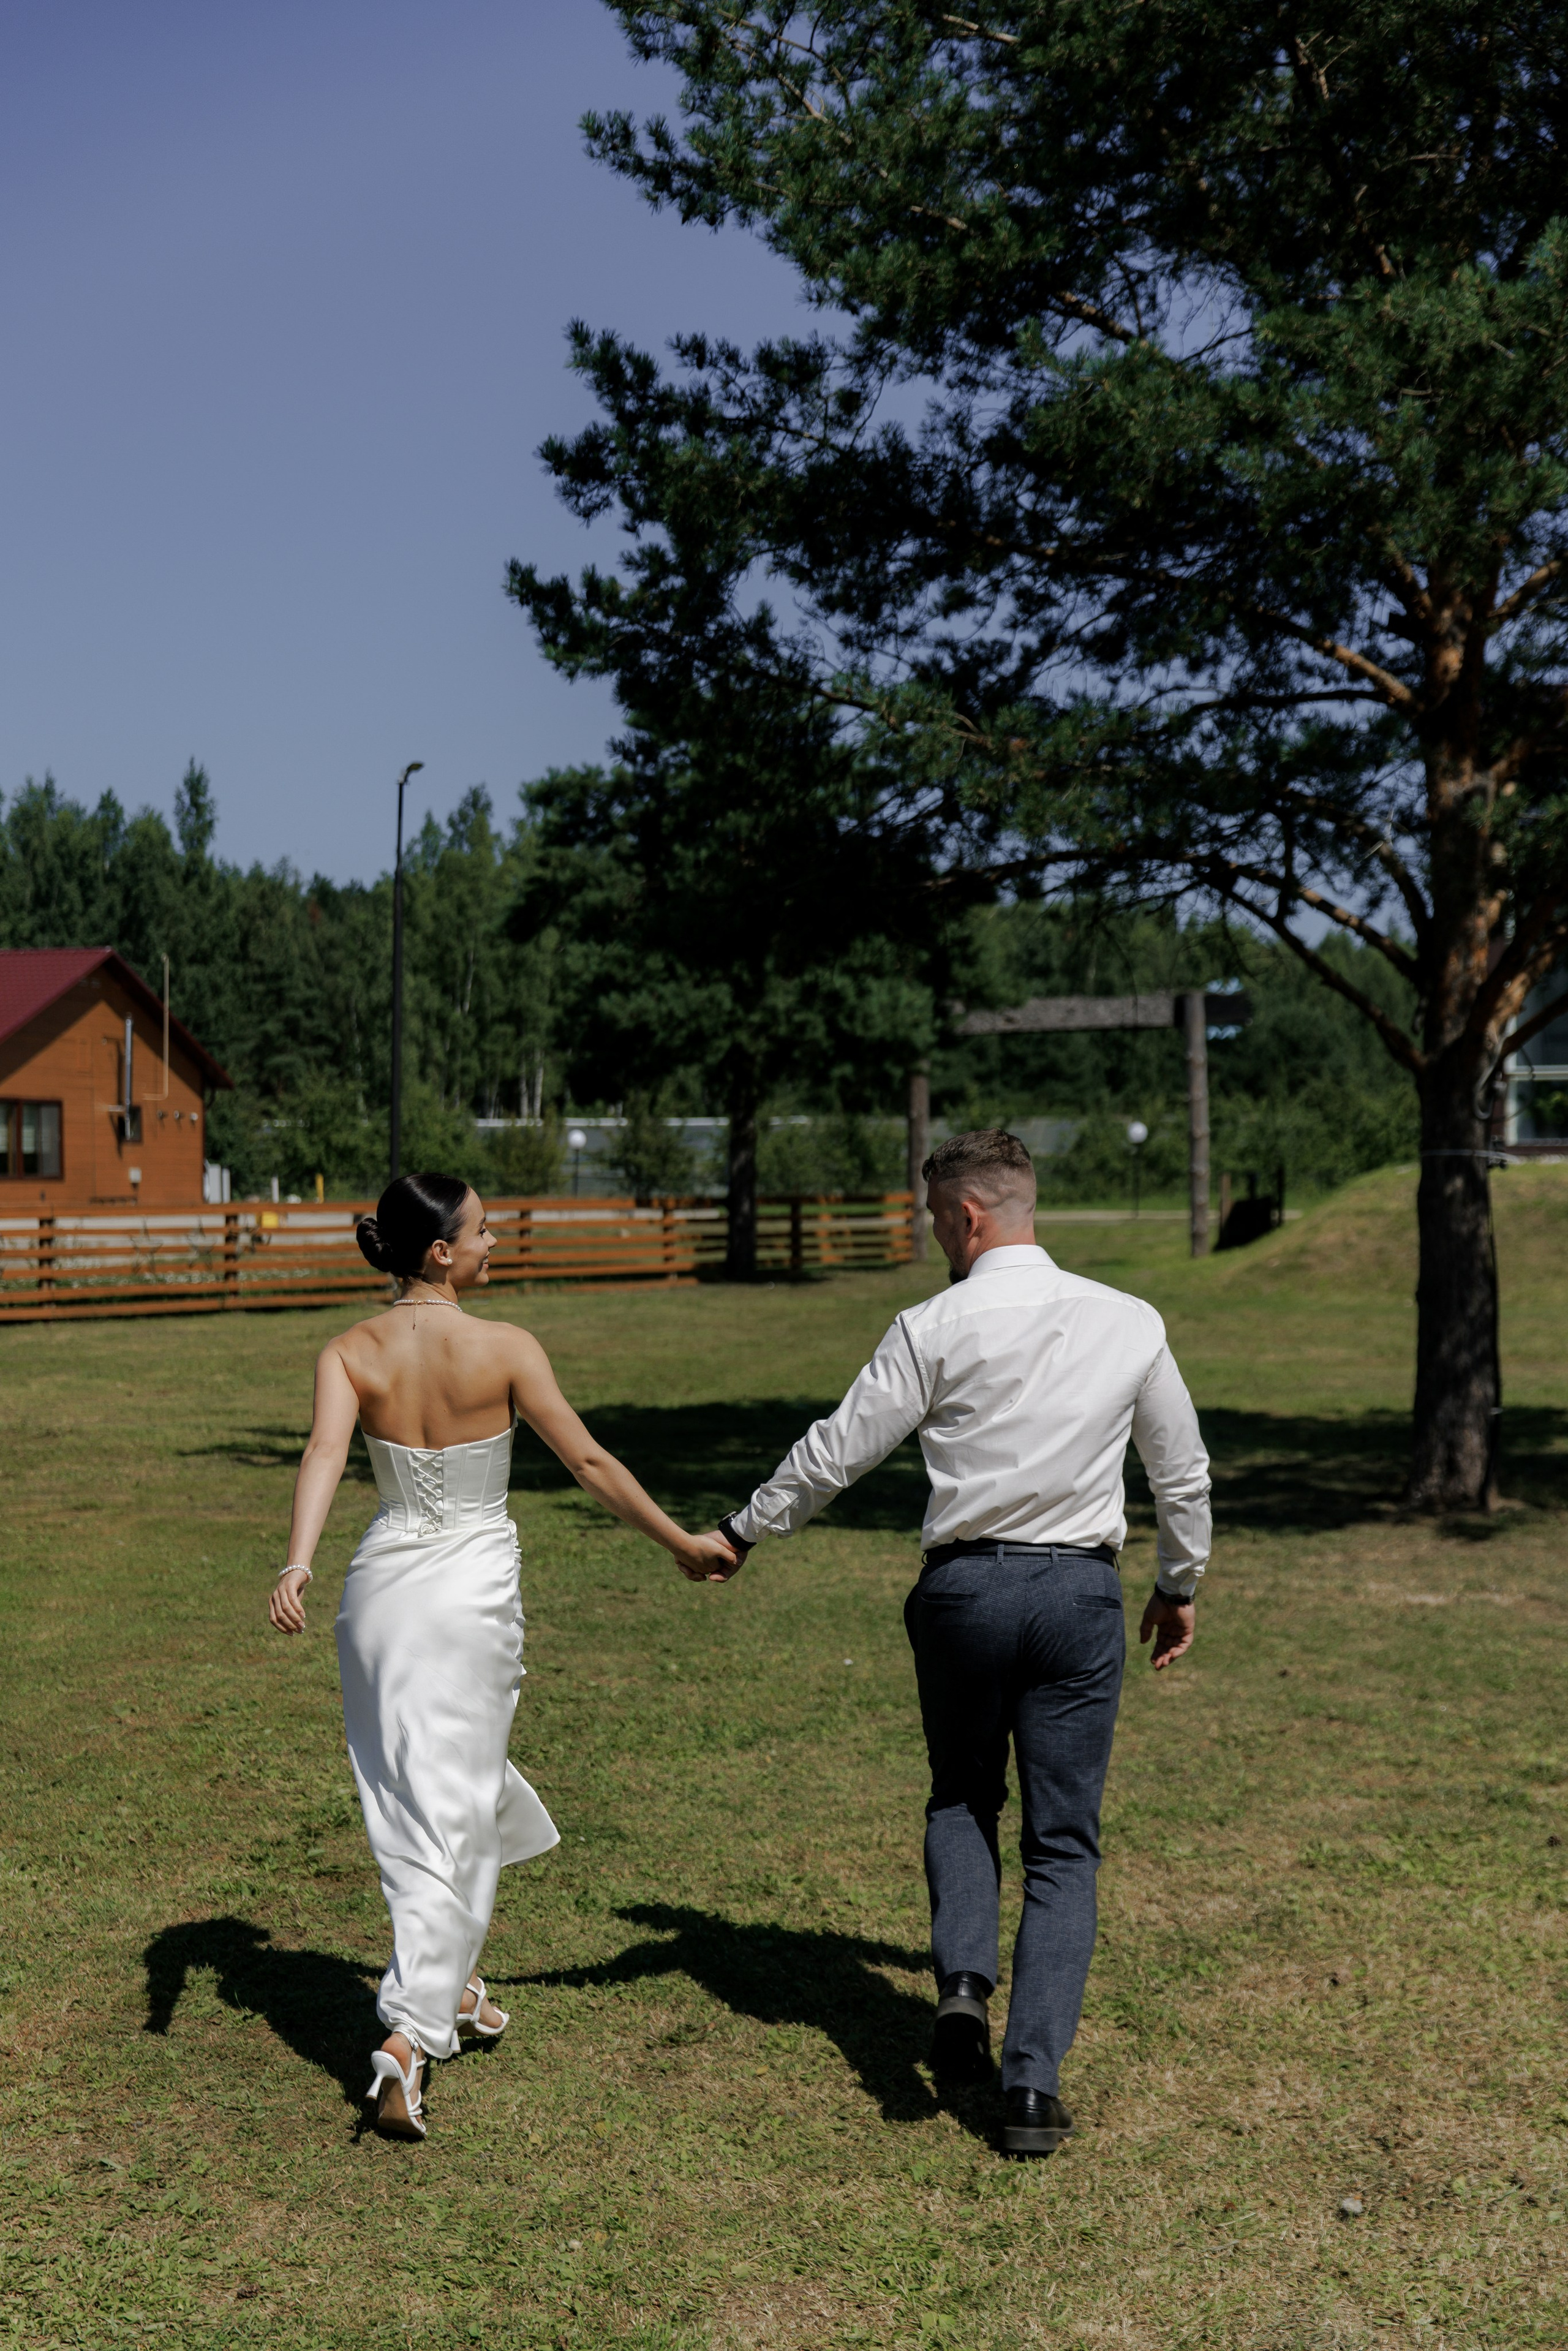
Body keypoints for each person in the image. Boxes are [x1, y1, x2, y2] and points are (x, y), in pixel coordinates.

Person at [710, 1130, 1210, 2159]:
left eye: (936, 1217)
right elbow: (1182, 1470)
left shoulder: (931, 1324)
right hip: (1078, 1594)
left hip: (964, 1593)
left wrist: (745, 1528)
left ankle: (963, 1992)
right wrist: (1177, 1584)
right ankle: (1030, 2087)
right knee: (1063, 1841)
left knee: (962, 1794)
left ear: (969, 1215)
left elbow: (839, 1448)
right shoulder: (1129, 1319)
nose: (935, 1233)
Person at [269, 1171, 735, 2140]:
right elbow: (589, 1462)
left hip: (380, 1594)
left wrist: (300, 1562)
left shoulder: (348, 1351)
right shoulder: (508, 1347)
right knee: (458, 1805)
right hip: (470, 1595)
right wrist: (680, 1542)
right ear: (441, 1251)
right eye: (483, 1229)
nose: (495, 1240)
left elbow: (323, 1454)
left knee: (417, 1796)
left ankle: (456, 1983)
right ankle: (408, 2037)